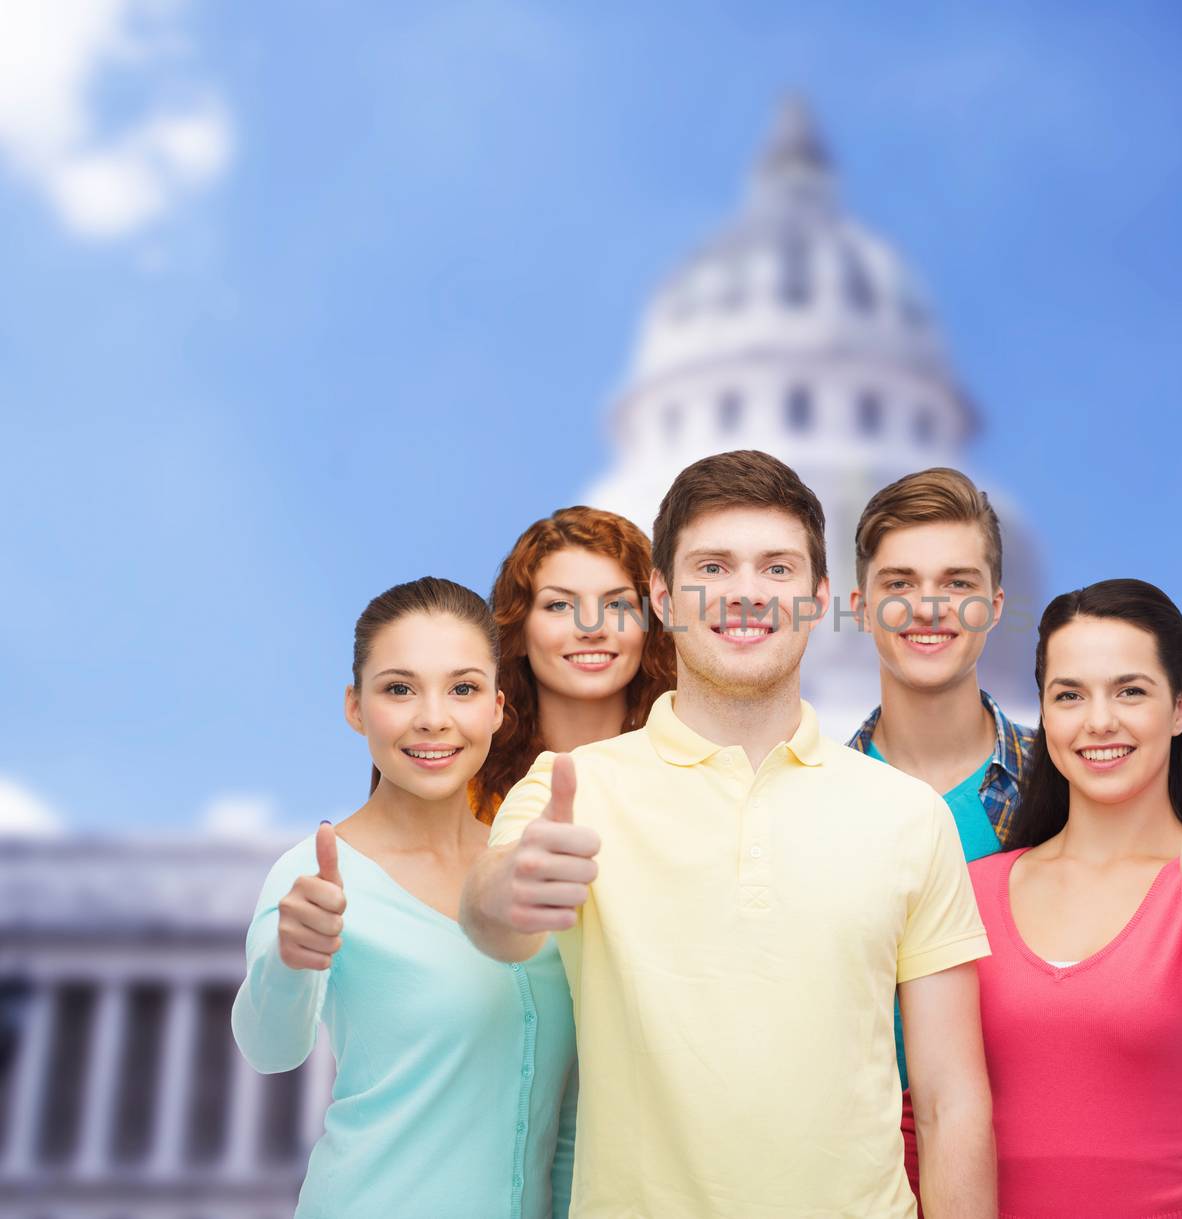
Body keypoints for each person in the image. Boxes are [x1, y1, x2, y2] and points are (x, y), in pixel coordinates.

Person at [462, 450, 998, 1219]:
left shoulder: (910, 814)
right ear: (663, 596)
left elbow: (951, 1099)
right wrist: (508, 890)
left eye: (777, 569)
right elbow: (490, 918)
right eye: (713, 566)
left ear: (817, 599)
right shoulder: (570, 789)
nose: (746, 592)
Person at [232, 577, 577, 1219]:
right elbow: (269, 1048)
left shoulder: (528, 867)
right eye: (399, 688)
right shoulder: (315, 873)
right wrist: (289, 962)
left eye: (463, 688)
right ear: (355, 707)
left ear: (498, 708)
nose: (433, 718)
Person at [973, 579, 1182, 1219]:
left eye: (1130, 691)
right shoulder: (973, 889)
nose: (1098, 721)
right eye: (1069, 695)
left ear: (1179, 707)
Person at [846, 467, 1037, 1196]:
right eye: (901, 583)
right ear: (861, 607)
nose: (929, 607)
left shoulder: (1070, 790)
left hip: (1045, 1168)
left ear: (994, 606)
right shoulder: (807, 807)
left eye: (957, 584)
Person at [472, 506, 676, 822]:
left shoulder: (694, 777)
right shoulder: (469, 793)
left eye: (618, 604)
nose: (592, 628)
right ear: (518, 631)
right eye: (560, 605)